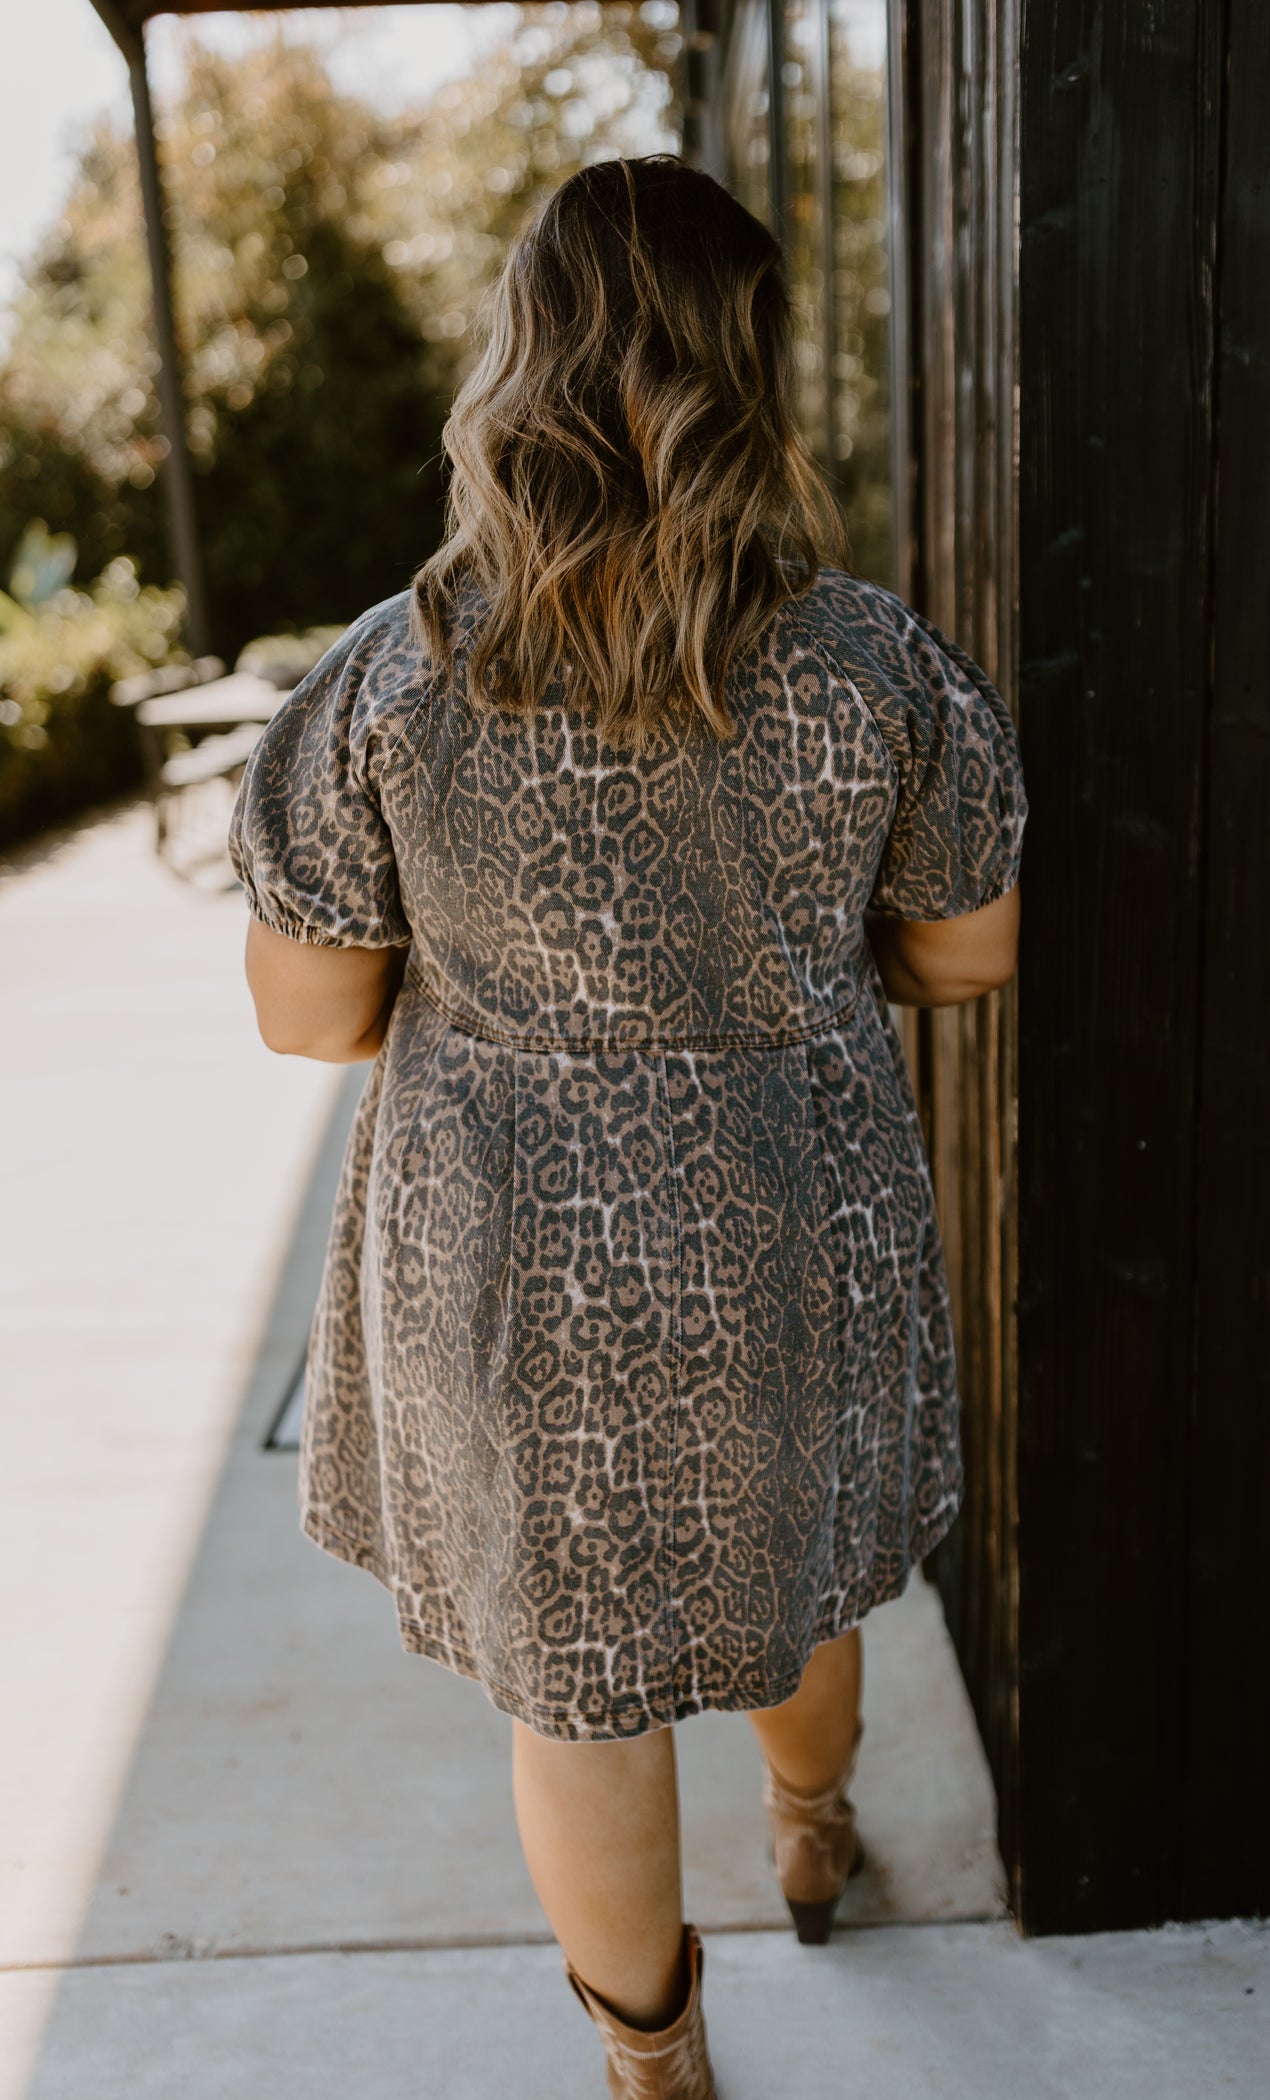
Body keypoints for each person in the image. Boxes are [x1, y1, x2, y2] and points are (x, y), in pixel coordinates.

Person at [230, 153, 1027, 2100]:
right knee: (803, 1590)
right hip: (783, 1237)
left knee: (576, 1704)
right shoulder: (870, 668)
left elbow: (310, 1016)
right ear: (748, 374)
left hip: (504, 1270)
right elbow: (963, 961)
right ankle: (814, 1825)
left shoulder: (393, 676)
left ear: (520, 365)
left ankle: (654, 2062)